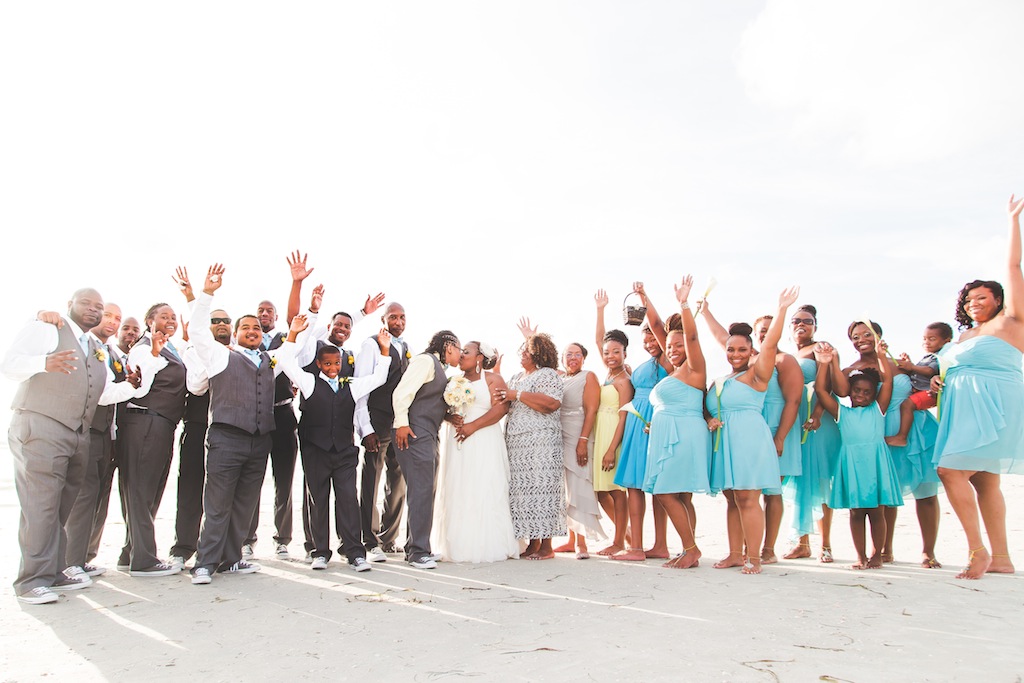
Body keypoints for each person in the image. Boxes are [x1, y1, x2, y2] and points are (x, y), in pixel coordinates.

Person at [3, 289, 155, 604]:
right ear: (69, 304)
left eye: (98, 307)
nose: (93, 310)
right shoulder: (48, 327)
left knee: (61, 507)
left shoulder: (93, 347)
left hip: (76, 434)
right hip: (41, 425)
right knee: (40, 506)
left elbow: (100, 395)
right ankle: (31, 580)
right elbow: (10, 364)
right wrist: (43, 363)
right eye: (86, 303)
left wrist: (130, 386)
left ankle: (54, 571)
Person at [931, 193, 1024, 579]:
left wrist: (1013, 221)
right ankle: (1001, 557)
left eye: (981, 297)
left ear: (999, 299)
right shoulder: (967, 335)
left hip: (995, 406)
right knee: (986, 480)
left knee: (950, 471)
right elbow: (953, 367)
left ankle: (976, 551)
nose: (973, 303)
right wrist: (940, 377)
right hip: (962, 409)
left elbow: (1014, 264)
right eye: (968, 299)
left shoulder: (1012, 322)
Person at [189, 264, 287, 585]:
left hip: (259, 441)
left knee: (244, 504)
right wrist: (206, 294)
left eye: (257, 328)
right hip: (226, 438)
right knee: (217, 504)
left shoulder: (270, 360)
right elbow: (198, 331)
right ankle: (205, 563)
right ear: (235, 333)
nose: (252, 330)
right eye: (245, 327)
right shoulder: (220, 356)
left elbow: (299, 343)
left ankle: (231, 559)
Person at [276, 317, 394, 571]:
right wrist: (294, 334)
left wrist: (384, 350)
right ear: (318, 364)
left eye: (337, 363)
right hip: (315, 451)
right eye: (327, 363)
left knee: (348, 499)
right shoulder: (308, 382)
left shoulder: (350, 385)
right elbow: (285, 362)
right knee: (318, 500)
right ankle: (320, 552)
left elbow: (379, 378)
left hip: (344, 452)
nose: (333, 367)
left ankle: (354, 552)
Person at [830, 320, 942, 568]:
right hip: (877, 433)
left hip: (914, 427)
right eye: (855, 336)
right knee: (885, 494)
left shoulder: (899, 363)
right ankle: (883, 549)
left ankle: (928, 551)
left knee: (926, 492)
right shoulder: (851, 371)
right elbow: (837, 391)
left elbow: (927, 388)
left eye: (867, 334)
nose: (862, 339)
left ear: (878, 335)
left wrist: (932, 385)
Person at [699, 301, 803, 565]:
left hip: (749, 441)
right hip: (725, 443)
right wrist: (706, 312)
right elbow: (706, 406)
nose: (735, 353)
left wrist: (782, 309)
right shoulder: (724, 379)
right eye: (730, 349)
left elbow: (770, 344)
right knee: (732, 498)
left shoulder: (757, 374)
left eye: (742, 349)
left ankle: (755, 557)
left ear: (751, 350)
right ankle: (735, 554)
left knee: (748, 497)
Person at [812, 341, 903, 569]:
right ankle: (860, 556)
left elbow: (888, 380)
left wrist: (881, 356)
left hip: (875, 462)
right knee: (856, 512)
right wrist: (824, 364)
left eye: (867, 392)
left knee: (877, 511)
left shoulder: (878, 409)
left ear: (874, 395)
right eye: (857, 391)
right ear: (849, 392)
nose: (861, 395)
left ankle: (877, 555)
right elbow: (822, 391)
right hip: (852, 463)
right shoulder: (842, 412)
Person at [643, 276, 710, 569]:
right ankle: (688, 548)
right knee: (681, 495)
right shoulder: (674, 369)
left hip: (684, 434)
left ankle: (691, 549)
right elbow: (659, 329)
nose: (672, 349)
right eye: (669, 346)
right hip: (672, 433)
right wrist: (644, 298)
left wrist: (683, 304)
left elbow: (692, 338)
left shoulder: (695, 368)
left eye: (678, 345)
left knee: (665, 492)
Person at [168, 267, 233, 570]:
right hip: (196, 427)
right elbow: (195, 384)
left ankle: (224, 551)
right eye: (214, 321)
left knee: (222, 494)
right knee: (191, 487)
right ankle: (183, 547)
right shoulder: (195, 351)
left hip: (227, 431)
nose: (220, 324)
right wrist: (194, 296)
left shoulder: (238, 354)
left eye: (225, 320)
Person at [120, 299, 188, 576]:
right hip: (144, 422)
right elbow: (139, 387)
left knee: (149, 490)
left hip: (162, 425)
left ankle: (130, 551)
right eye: (163, 316)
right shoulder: (143, 348)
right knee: (140, 489)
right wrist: (155, 355)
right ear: (150, 321)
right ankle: (144, 560)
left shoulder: (169, 348)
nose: (170, 320)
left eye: (173, 316)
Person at [435, 341, 519, 563]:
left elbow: (501, 408)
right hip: (458, 439)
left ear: (480, 357)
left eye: (466, 352)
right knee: (459, 486)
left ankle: (491, 543)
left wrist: (473, 426)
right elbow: (443, 408)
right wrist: (449, 417)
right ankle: (458, 545)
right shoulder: (454, 381)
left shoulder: (492, 379)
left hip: (484, 438)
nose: (461, 355)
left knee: (485, 485)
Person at [611, 283, 673, 560]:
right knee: (636, 483)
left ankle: (646, 546)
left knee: (650, 485)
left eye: (653, 340)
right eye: (645, 340)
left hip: (652, 421)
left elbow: (660, 330)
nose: (649, 344)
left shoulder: (669, 361)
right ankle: (642, 544)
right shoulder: (642, 365)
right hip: (637, 422)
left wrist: (645, 300)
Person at [63, 302, 124, 578]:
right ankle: (70, 560)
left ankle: (85, 556)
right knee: (84, 497)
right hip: (88, 432)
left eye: (117, 318)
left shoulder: (113, 352)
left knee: (100, 498)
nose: (112, 321)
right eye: (108, 315)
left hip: (108, 435)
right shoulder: (84, 345)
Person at [393, 330, 463, 569]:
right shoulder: (425, 361)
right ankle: (418, 552)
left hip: (428, 434)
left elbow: (426, 400)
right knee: (421, 490)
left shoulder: (440, 369)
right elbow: (402, 393)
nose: (461, 354)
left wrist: (447, 416)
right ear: (449, 346)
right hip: (413, 432)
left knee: (425, 491)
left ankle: (416, 546)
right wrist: (401, 423)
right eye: (460, 349)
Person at [781, 304, 841, 563]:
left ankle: (825, 545)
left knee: (819, 482)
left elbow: (826, 384)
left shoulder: (821, 348)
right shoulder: (789, 353)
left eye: (807, 320)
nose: (800, 324)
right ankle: (801, 542)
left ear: (816, 326)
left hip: (817, 420)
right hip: (795, 419)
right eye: (795, 321)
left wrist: (817, 414)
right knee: (799, 479)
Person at [499, 333, 566, 560]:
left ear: (538, 354)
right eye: (522, 351)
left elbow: (551, 403)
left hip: (541, 442)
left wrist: (516, 394)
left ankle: (547, 546)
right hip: (517, 444)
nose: (522, 355)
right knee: (523, 493)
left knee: (542, 489)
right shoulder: (517, 376)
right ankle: (532, 542)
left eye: (526, 351)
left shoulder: (547, 374)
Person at [356, 302, 410, 562]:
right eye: (393, 317)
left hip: (399, 422)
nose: (398, 321)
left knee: (397, 481)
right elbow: (362, 387)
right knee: (371, 480)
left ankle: (389, 538)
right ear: (383, 319)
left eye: (402, 317)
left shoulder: (406, 347)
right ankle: (369, 538)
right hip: (377, 420)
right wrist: (365, 428)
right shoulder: (370, 345)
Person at [87, 315, 140, 565]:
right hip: (102, 435)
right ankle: (84, 554)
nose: (130, 332)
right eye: (125, 328)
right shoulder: (106, 355)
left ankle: (129, 551)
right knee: (95, 497)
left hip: (129, 437)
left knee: (132, 497)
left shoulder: (140, 358)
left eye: (134, 329)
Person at [552, 342, 604, 559]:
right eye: (568, 354)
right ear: (562, 358)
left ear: (583, 358)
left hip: (579, 434)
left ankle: (582, 543)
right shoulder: (560, 378)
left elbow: (591, 410)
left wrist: (582, 440)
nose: (573, 358)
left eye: (577, 354)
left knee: (579, 484)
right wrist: (530, 337)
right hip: (560, 435)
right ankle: (571, 539)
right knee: (566, 489)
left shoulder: (588, 376)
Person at [592, 291, 632, 557]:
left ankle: (619, 541)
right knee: (598, 490)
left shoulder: (624, 379)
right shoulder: (608, 373)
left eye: (616, 352)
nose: (610, 355)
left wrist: (611, 449)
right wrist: (600, 310)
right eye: (607, 352)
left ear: (625, 353)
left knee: (616, 490)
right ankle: (624, 533)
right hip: (599, 433)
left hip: (613, 438)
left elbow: (624, 415)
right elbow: (599, 340)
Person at [887, 322, 952, 448]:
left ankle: (901, 437)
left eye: (932, 339)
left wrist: (911, 366)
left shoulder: (939, 357)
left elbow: (929, 371)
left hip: (929, 392)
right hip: (920, 390)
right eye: (924, 339)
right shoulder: (927, 357)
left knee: (907, 405)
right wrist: (909, 364)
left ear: (946, 341)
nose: (927, 342)